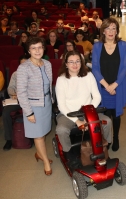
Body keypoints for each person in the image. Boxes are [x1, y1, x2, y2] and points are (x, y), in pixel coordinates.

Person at [55, 50, 112, 169]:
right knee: (61, 130)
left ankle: (104, 147)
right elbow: (61, 105)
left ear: (81, 63)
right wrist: (77, 121)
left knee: (107, 122)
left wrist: (88, 115)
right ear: (66, 64)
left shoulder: (88, 75)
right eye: (71, 62)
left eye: (77, 61)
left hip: (88, 112)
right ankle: (68, 154)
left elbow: (97, 97)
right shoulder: (61, 80)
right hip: (69, 114)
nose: (75, 64)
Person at [17, 37, 53, 175]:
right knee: (38, 136)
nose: (37, 51)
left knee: (43, 133)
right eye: (33, 48)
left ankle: (39, 154)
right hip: (33, 106)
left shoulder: (47, 64)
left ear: (44, 48)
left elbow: (49, 85)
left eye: (40, 47)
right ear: (28, 50)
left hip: (46, 103)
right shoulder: (23, 68)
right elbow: (21, 92)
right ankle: (45, 162)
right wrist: (28, 112)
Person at [92, 18, 126, 151]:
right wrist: (107, 85)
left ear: (117, 30)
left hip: (117, 88)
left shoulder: (123, 45)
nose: (111, 31)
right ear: (103, 31)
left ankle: (116, 137)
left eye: (114, 28)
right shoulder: (97, 46)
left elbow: (125, 67)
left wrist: (114, 85)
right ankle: (106, 140)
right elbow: (95, 68)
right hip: (102, 87)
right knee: (105, 116)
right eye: (108, 28)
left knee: (116, 115)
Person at [2, 55, 28, 151]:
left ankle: (33, 136)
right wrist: (13, 94)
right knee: (5, 112)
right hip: (17, 100)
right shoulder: (15, 74)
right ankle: (9, 139)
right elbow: (10, 88)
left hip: (29, 100)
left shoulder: (34, 74)